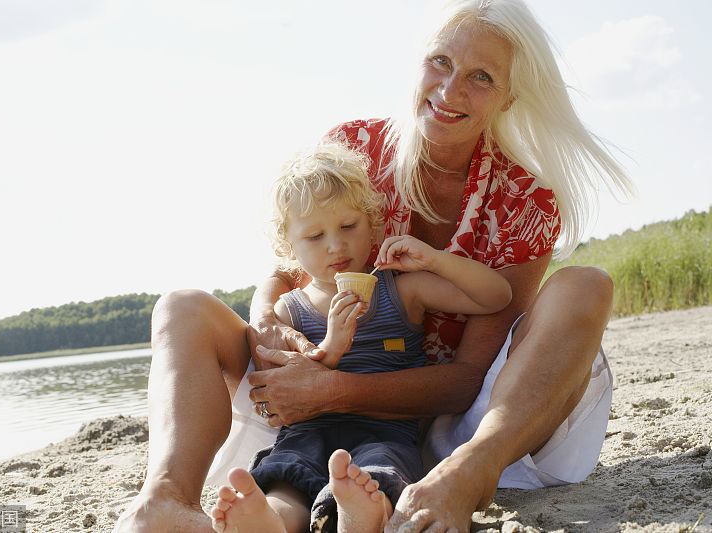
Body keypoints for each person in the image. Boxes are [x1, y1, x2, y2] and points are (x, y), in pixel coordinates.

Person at [113, 0, 634, 531]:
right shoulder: (354, 147)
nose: (450, 91)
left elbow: (467, 379)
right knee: (181, 307)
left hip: (462, 420)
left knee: (586, 285)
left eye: (481, 76)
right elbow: (292, 262)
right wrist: (266, 311)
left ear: (510, 95)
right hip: (311, 409)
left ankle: (464, 476)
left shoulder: (526, 202)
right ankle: (165, 500)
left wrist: (334, 391)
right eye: (440, 62)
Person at [209, 142, 512, 533]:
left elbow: (495, 297)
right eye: (315, 236)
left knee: (375, 470)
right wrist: (331, 349)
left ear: (373, 224)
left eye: (348, 227)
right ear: (290, 247)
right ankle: (274, 520)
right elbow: (281, 387)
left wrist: (434, 260)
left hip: (385, 429)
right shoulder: (288, 310)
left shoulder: (401, 290)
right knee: (289, 472)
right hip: (307, 429)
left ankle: (355, 516)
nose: (336, 245)